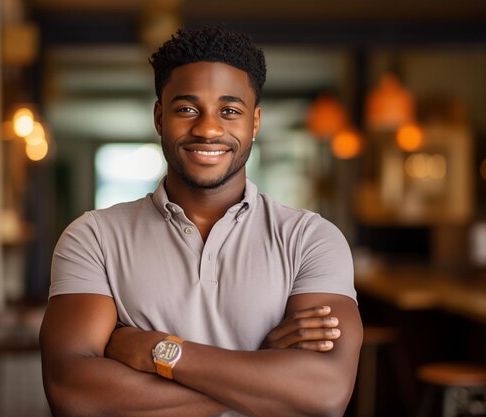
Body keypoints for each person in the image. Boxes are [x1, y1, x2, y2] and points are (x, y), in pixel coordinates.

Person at [40, 26, 362, 417]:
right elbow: (73, 394)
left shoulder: (311, 239)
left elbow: (326, 393)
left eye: (230, 111)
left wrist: (158, 351)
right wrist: (263, 374)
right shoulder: (92, 237)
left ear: (255, 123)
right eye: (187, 109)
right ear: (160, 117)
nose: (208, 129)